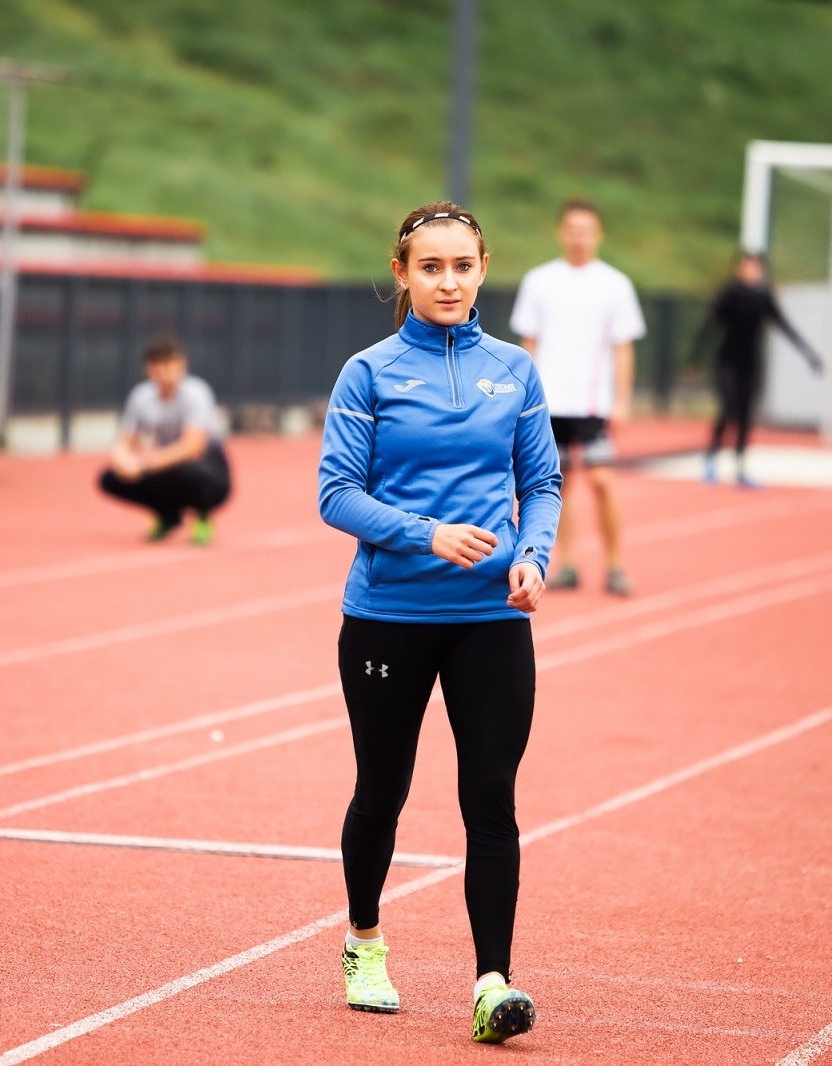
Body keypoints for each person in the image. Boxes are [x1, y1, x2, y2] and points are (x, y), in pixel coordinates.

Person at [319, 201, 562, 1044]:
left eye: (462, 266)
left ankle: (493, 983)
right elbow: (336, 495)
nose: (448, 282)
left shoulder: (516, 371)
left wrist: (533, 555)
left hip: (491, 618)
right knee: (382, 791)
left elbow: (542, 484)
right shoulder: (369, 373)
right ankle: (364, 941)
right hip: (388, 616)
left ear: (484, 269)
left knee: (491, 797)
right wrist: (428, 534)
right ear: (403, 273)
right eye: (431, 267)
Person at [509, 198, 643, 596]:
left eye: (587, 230)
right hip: (548, 404)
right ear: (561, 232)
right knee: (557, 485)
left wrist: (622, 400)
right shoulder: (539, 281)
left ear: (598, 234)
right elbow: (529, 342)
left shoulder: (615, 284)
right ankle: (566, 563)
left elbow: (623, 346)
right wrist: (523, 398)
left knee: (602, 481)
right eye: (573, 229)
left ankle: (615, 565)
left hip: (593, 403)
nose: (579, 237)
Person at [691, 252, 822, 488]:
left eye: (755, 267)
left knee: (745, 414)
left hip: (750, 363)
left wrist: (809, 354)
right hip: (727, 361)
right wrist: (694, 358)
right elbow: (709, 326)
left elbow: (785, 326)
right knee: (728, 408)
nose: (750, 271)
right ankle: (711, 458)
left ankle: (740, 466)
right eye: (746, 267)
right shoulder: (730, 295)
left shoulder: (763, 297)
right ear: (739, 269)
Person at [98, 335, 230, 545]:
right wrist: (123, 461)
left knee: (189, 473)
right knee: (110, 478)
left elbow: (192, 447)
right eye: (158, 369)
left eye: (169, 368)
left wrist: (145, 463)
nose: (164, 376)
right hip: (165, 460)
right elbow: (126, 441)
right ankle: (168, 513)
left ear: (182, 366)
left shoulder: (196, 392)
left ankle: (203, 516)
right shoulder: (140, 396)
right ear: (148, 369)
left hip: (206, 466)